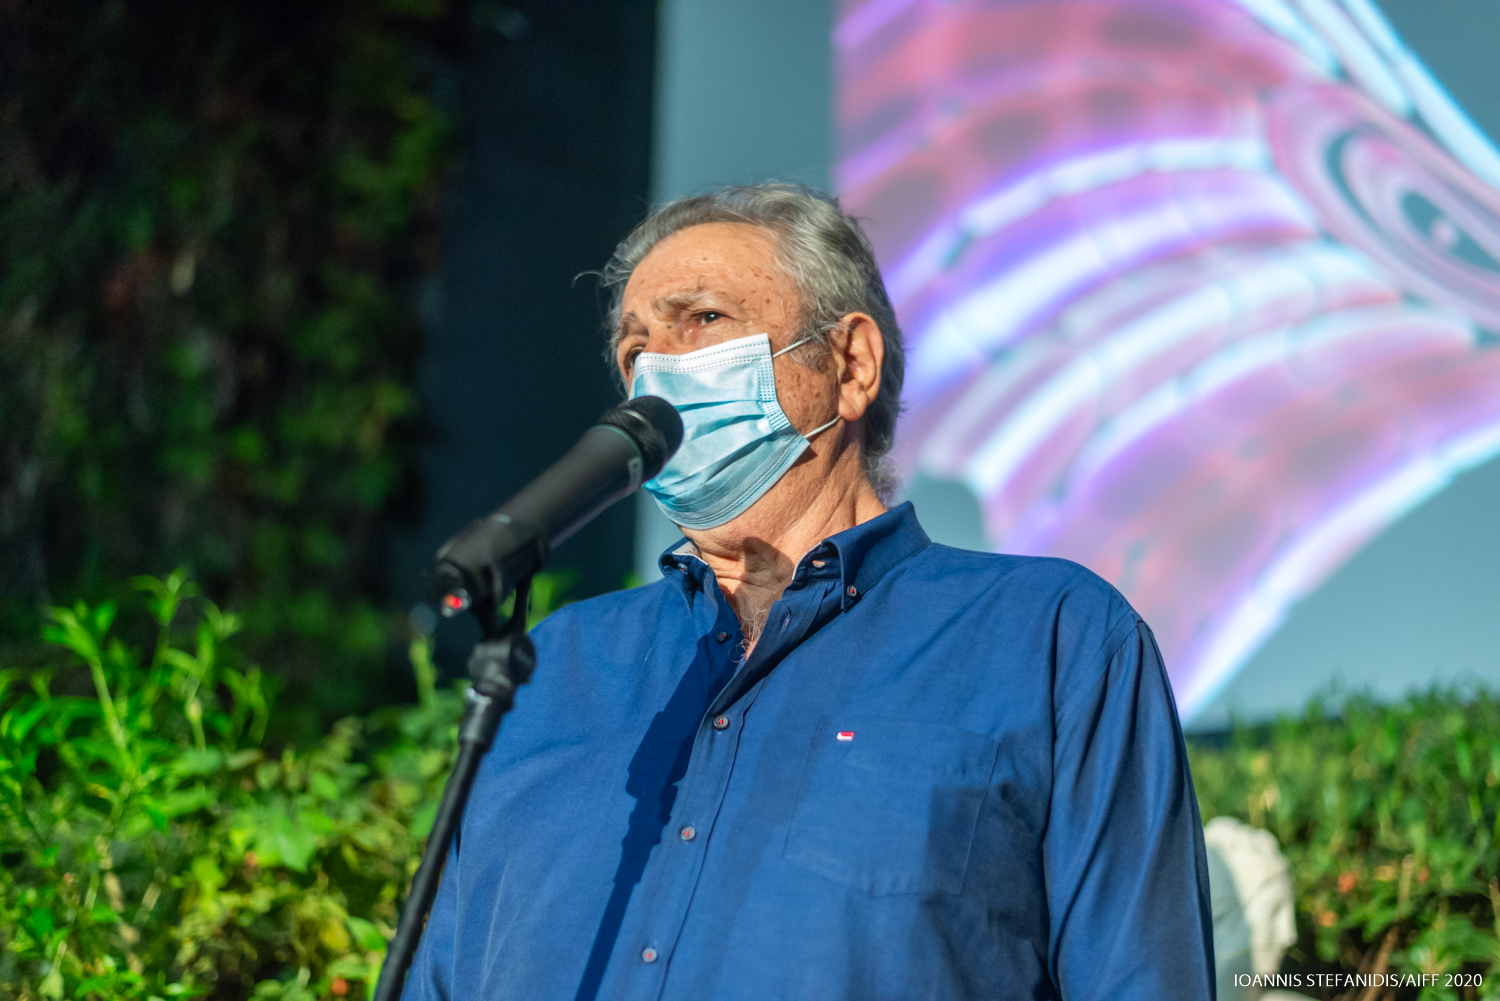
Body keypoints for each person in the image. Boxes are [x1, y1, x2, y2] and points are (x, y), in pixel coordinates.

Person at [403, 184, 1215, 1000]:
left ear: (850, 365)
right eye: (634, 349)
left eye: (705, 319)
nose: (656, 372)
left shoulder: (1051, 640)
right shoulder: (552, 674)